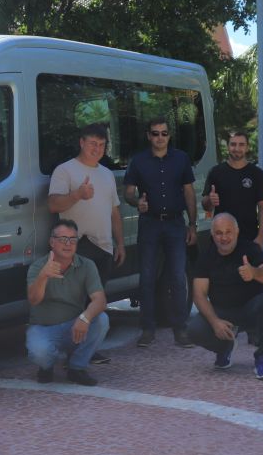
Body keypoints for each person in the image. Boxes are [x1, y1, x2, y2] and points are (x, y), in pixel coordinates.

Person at [48, 122, 125, 364]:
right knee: (72, 304)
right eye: (93, 143)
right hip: (75, 249)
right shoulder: (65, 171)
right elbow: (53, 205)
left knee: (95, 303)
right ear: (81, 142)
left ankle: (87, 350)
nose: (97, 149)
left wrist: (120, 244)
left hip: (103, 247)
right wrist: (77, 195)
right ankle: (66, 351)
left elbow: (114, 212)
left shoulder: (107, 174)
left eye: (102, 145)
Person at [124, 116, 198, 349]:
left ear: (169, 135)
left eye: (164, 133)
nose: (159, 137)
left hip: (176, 224)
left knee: (178, 277)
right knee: (146, 277)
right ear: (148, 136)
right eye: (155, 133)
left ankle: (180, 330)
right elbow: (128, 193)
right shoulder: (138, 161)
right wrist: (137, 203)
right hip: (150, 223)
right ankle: (147, 328)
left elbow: (189, 193)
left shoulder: (181, 159)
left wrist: (193, 224)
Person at [187, 213, 263, 380]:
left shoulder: (251, 249)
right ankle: (225, 347)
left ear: (237, 232)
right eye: (219, 233)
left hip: (251, 310)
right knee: (194, 328)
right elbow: (199, 295)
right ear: (212, 234)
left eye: (228, 232)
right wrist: (215, 322)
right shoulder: (206, 257)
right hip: (223, 313)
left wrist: (254, 272)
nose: (224, 237)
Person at [26, 219, 110, 386]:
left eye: (73, 239)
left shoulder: (87, 265)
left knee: (102, 320)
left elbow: (100, 300)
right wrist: (43, 276)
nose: (68, 244)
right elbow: (33, 299)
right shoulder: (38, 266)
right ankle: (46, 366)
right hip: (44, 327)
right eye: (63, 239)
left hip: (74, 326)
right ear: (52, 242)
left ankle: (76, 368)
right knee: (40, 352)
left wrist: (85, 318)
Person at [202, 131, 263, 247]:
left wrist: (261, 237)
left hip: (249, 238)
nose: (237, 148)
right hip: (221, 240)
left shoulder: (257, 174)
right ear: (228, 146)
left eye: (241, 144)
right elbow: (206, 207)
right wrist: (210, 201)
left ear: (247, 147)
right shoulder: (216, 172)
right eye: (233, 144)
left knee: (249, 266)